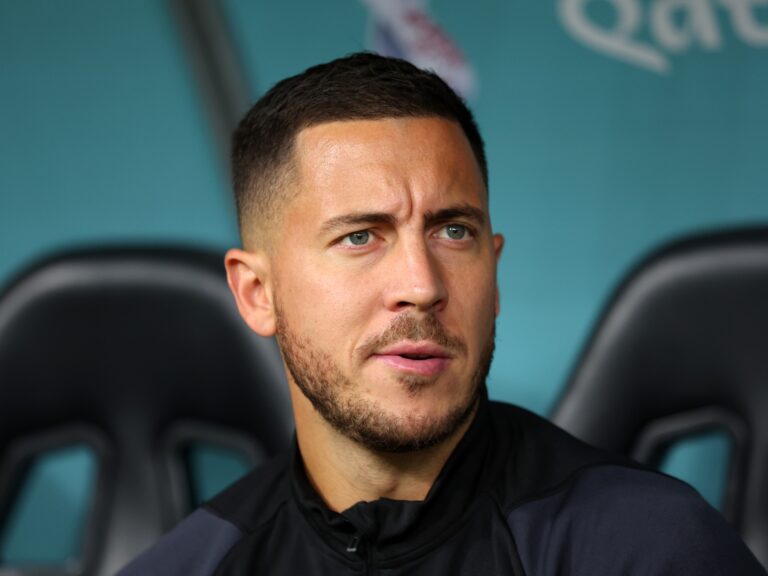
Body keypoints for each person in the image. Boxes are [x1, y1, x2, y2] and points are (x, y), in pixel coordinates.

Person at [117, 52, 765, 575]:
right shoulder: (187, 568)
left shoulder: (649, 548)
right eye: (360, 237)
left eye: (454, 232)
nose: (422, 285)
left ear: (494, 269)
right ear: (258, 293)